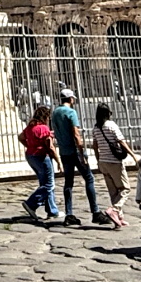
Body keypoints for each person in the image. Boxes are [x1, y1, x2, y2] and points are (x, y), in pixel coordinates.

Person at [51, 89, 103, 226]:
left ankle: (69, 213)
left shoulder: (55, 113)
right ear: (70, 99)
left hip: (63, 151)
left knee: (68, 183)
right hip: (74, 151)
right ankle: (95, 211)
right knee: (89, 178)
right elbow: (76, 134)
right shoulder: (71, 112)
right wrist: (81, 151)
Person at [89, 103, 132, 229]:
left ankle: (118, 218)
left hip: (103, 162)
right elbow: (121, 141)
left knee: (113, 191)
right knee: (125, 189)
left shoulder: (96, 128)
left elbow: (95, 146)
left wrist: (98, 160)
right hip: (114, 162)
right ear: (108, 113)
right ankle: (114, 209)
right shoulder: (111, 125)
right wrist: (133, 155)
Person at [19, 105, 63, 222]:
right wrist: (58, 161)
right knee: (49, 184)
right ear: (46, 117)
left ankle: (52, 210)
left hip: (30, 155)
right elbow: (50, 146)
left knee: (44, 183)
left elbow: (21, 137)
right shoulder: (43, 128)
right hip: (42, 156)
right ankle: (31, 203)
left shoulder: (30, 127)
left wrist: (29, 145)